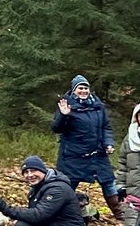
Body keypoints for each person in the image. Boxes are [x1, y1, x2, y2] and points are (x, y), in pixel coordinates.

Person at [51, 75, 120, 217]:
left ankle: (119, 211)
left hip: (98, 154)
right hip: (73, 155)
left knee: (108, 182)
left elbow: (106, 127)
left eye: (85, 88)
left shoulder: (98, 106)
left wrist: (108, 143)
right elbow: (56, 128)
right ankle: (58, 212)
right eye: (80, 88)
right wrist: (64, 115)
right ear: (74, 90)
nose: (83, 91)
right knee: (67, 185)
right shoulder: (66, 105)